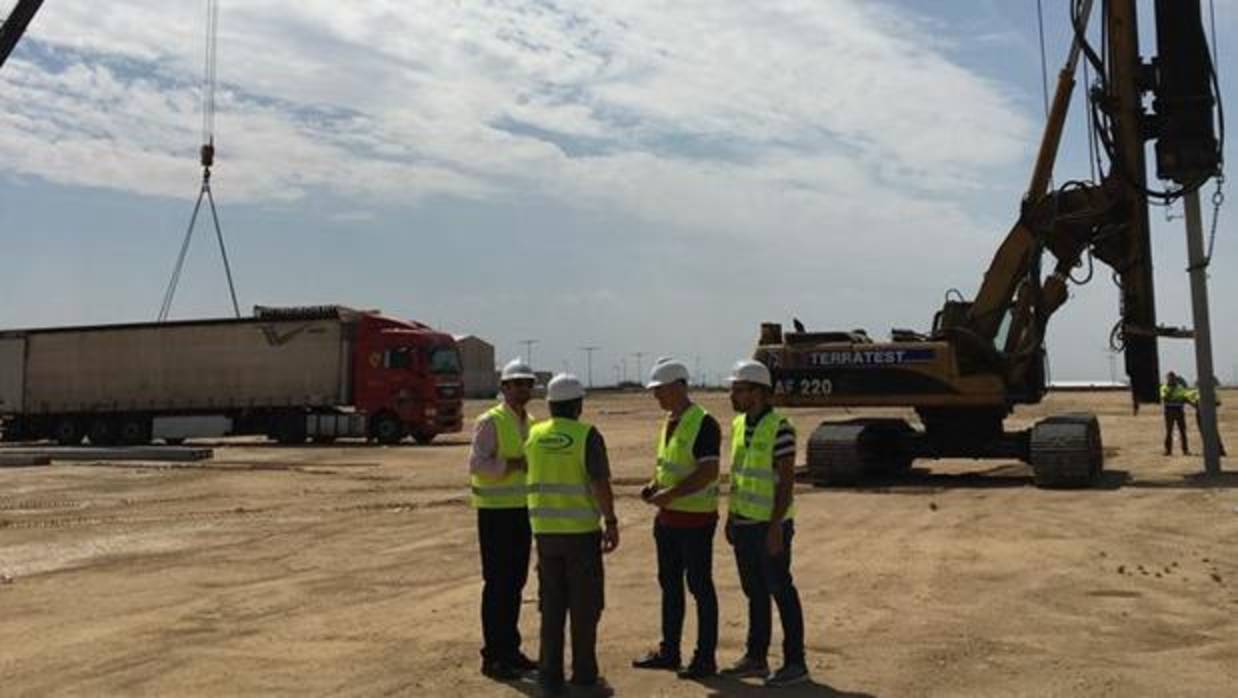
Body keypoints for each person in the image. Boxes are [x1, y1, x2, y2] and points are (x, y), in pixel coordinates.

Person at [527, 373, 620, 698]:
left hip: (545, 535)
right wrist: (610, 521)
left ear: (551, 405)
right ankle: (583, 675)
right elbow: (599, 484)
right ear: (578, 405)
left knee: (551, 608)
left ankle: (549, 676)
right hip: (580, 535)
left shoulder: (534, 435)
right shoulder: (586, 436)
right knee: (584, 608)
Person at [721, 359, 809, 687]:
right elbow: (739, 474)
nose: (733, 395)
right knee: (754, 591)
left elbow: (785, 482)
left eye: (738, 390)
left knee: (780, 589)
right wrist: (731, 516)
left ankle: (795, 662)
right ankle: (755, 658)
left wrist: (775, 527)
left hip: (770, 526)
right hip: (744, 523)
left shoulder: (780, 427)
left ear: (758, 393)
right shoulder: (739, 425)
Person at [631, 358, 721, 679]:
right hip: (668, 521)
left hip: (695, 522)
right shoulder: (669, 421)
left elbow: (708, 471)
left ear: (680, 386)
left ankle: (705, 657)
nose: (658, 397)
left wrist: (670, 495)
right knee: (670, 586)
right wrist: (655, 486)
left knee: (699, 587)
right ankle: (670, 650)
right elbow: (669, 466)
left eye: (661, 391)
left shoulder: (704, 422)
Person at [468, 358, 538, 680]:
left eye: (527, 383)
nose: (523, 388)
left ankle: (510, 649)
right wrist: (511, 465)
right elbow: (478, 464)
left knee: (515, 584)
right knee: (497, 585)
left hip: (521, 513)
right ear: (504, 387)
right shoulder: (491, 420)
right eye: (517, 383)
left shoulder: (531, 422)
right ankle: (493, 655)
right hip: (495, 515)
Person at [1186, 375, 1227, 457]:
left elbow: (1218, 403)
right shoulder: (1197, 393)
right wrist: (1194, 404)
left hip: (1209, 414)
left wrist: (1209, 405)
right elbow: (1188, 399)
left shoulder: (1211, 393)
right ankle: (1210, 450)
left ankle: (1219, 450)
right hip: (1200, 414)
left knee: (1212, 432)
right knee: (1204, 433)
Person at [1161, 371, 1191, 455]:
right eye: (1170, 378)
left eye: (1173, 378)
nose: (1171, 380)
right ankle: (1168, 450)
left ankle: (1185, 450)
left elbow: (1185, 397)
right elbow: (1164, 398)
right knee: (1169, 431)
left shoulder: (1180, 387)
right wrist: (1173, 396)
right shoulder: (1164, 388)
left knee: (1183, 431)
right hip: (1169, 410)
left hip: (1179, 410)